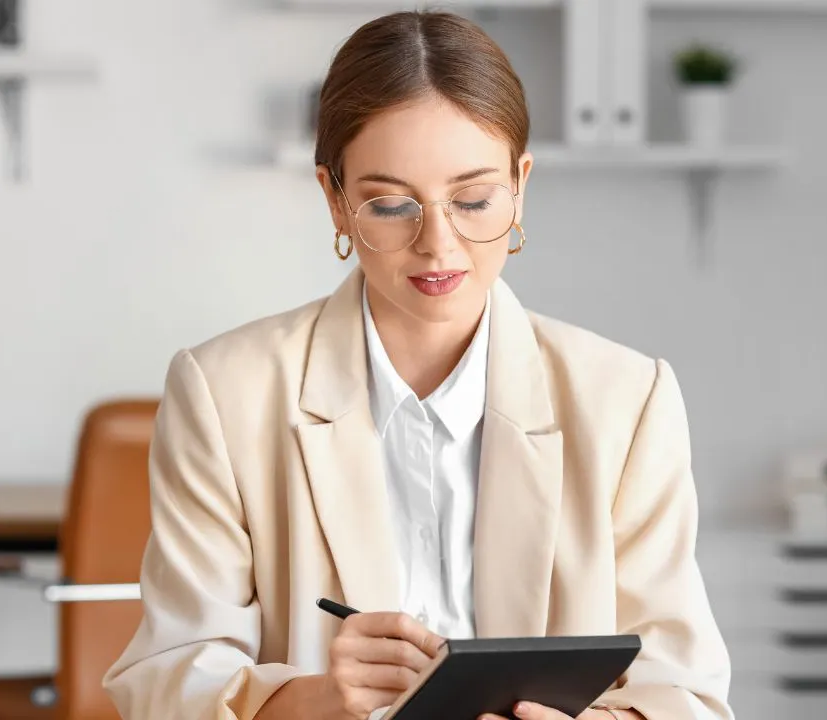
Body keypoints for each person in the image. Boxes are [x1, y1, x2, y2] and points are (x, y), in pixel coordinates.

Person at [104, 10, 732, 720]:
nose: (438, 244)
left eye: (473, 200)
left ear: (521, 185)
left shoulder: (626, 400)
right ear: (334, 201)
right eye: (391, 203)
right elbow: (164, 681)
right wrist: (312, 701)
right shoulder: (224, 392)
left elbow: (687, 694)